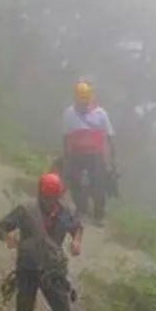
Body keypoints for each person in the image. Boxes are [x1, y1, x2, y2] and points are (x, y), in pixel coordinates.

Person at [0, 171, 82, 311]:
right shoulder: (26, 210)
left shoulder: (65, 212)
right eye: (47, 196)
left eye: (53, 196)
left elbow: (77, 227)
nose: (50, 200)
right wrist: (7, 236)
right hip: (28, 270)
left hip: (53, 272)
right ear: (40, 193)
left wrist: (76, 240)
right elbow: (0, 227)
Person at [61, 80, 117, 226]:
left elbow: (110, 136)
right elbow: (66, 136)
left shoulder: (100, 114)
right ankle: (82, 210)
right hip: (76, 154)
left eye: (86, 101)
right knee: (75, 182)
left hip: (95, 155)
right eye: (81, 102)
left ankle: (99, 215)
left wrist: (112, 159)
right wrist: (66, 156)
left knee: (99, 184)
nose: (83, 105)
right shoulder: (69, 113)